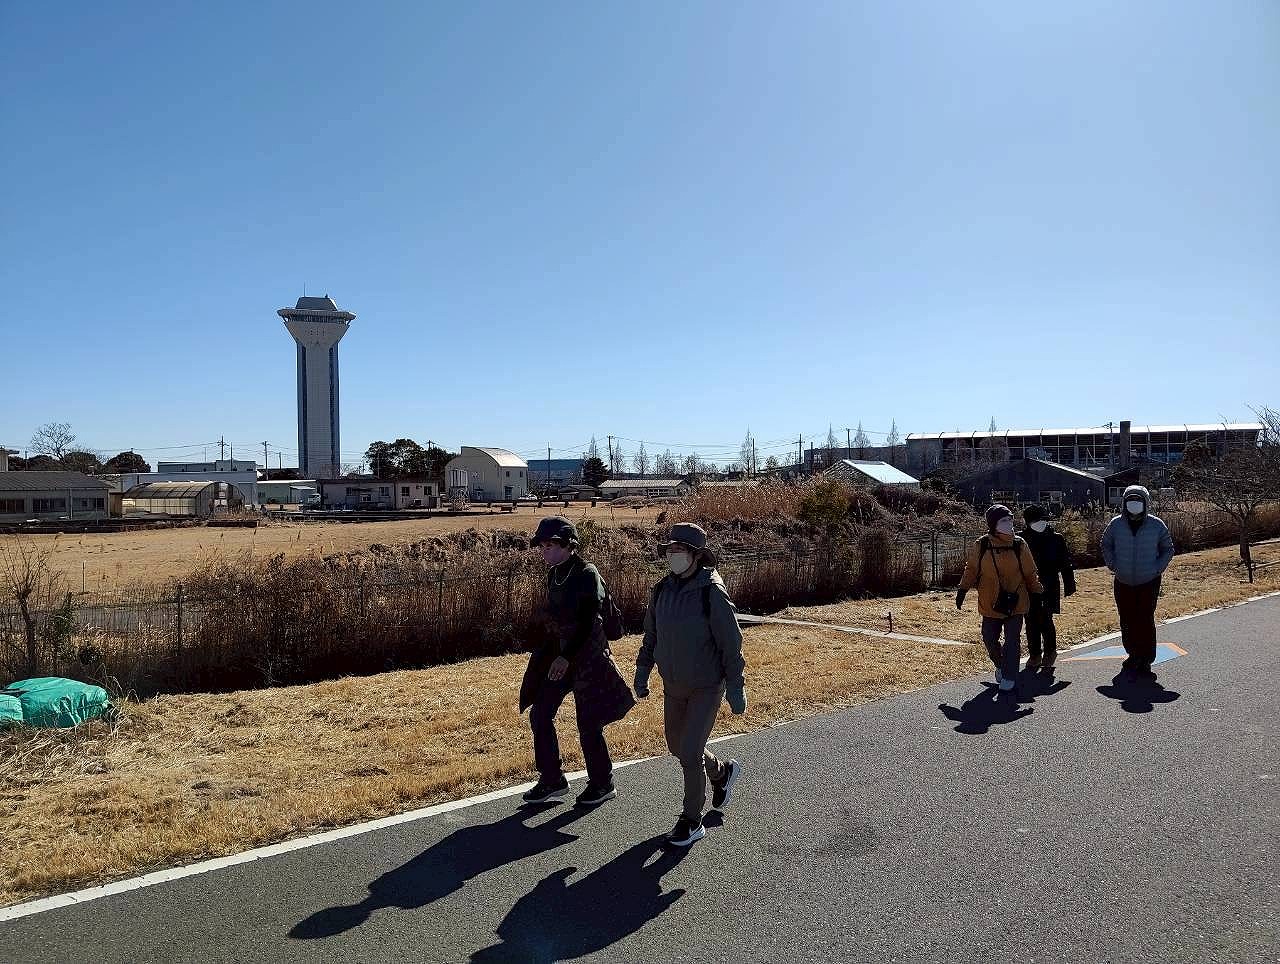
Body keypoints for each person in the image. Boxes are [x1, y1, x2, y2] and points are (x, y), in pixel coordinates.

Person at [635, 523, 746, 847]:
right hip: (674, 685)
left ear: (696, 555)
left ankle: (691, 819)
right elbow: (652, 635)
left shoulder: (711, 591)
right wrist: (642, 670)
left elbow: (731, 643)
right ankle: (721, 773)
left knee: (690, 753)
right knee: (677, 746)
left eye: (680, 550)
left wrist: (735, 686)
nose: (673, 555)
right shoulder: (662, 591)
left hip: (706, 687)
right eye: (670, 550)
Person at [519, 516, 635, 807]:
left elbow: (588, 620)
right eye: (541, 546)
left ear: (568, 545)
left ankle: (603, 783)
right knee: (540, 713)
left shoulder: (586, 572)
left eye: (549, 545)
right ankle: (552, 780)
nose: (543, 550)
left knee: (588, 722)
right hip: (562, 657)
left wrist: (565, 657)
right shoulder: (554, 574)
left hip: (588, 658)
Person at [956, 504, 1044, 695]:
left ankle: (1010, 676)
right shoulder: (982, 544)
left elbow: (1030, 572)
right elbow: (971, 569)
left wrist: (1036, 592)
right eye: (1003, 520)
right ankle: (1000, 665)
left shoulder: (1019, 544)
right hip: (990, 601)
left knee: (1012, 640)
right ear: (993, 524)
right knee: (989, 637)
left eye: (1010, 519)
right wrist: (962, 589)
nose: (1008, 523)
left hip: (1016, 600)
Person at [1101, 485, 1174, 680]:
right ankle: (1133, 654)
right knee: (1126, 619)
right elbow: (1106, 544)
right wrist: (1113, 564)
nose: (1134, 503)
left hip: (1148, 581)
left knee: (1145, 619)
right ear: (1124, 503)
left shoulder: (1156, 525)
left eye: (1138, 500)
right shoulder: (1116, 524)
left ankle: (1146, 658)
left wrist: (1157, 568)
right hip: (1123, 580)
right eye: (1130, 500)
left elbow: (1168, 548)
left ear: (1146, 503)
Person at [1020, 504, 1077, 672]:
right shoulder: (1021, 539)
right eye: (1036, 520)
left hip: (1050, 583)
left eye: (1042, 519)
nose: (1040, 523)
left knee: (1046, 618)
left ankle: (1050, 651)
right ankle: (1034, 654)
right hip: (1028, 584)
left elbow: (1065, 563)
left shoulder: (1056, 538)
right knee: (1030, 620)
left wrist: (1069, 585)